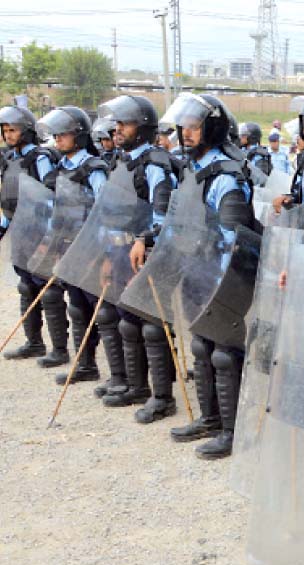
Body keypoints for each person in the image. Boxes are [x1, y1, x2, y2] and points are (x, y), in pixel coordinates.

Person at [165, 93, 255, 458]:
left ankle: (235, 431)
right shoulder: (192, 169)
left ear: (212, 128)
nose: (186, 133)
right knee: (201, 346)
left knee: (224, 352)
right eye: (183, 125)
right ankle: (210, 418)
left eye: (194, 126)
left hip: (222, 275)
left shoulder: (227, 176)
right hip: (195, 271)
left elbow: (232, 236)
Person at [94, 94, 179, 419]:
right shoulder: (120, 160)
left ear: (142, 128)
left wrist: (145, 239)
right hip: (119, 252)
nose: (118, 130)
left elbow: (164, 212)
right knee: (126, 322)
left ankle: (162, 397)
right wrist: (106, 250)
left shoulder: (155, 164)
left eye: (125, 124)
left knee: (152, 326)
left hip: (148, 253)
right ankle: (135, 385)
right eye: (116, 124)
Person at [36, 106, 109, 385]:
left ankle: (121, 377)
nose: (58, 139)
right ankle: (85, 364)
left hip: (90, 247)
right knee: (76, 306)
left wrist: (100, 251)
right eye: (56, 135)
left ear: (78, 135)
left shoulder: (93, 168)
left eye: (63, 134)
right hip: (68, 245)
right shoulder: (61, 167)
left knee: (101, 310)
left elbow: (103, 208)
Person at [0, 104, 60, 362]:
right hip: (20, 231)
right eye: (4, 130)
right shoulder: (10, 159)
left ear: (25, 131)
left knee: (49, 290)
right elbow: (9, 200)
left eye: (12, 129)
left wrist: (49, 236)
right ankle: (33, 342)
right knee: (26, 287)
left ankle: (60, 349)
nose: (7, 134)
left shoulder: (39, 157)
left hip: (39, 232)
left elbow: (49, 197)